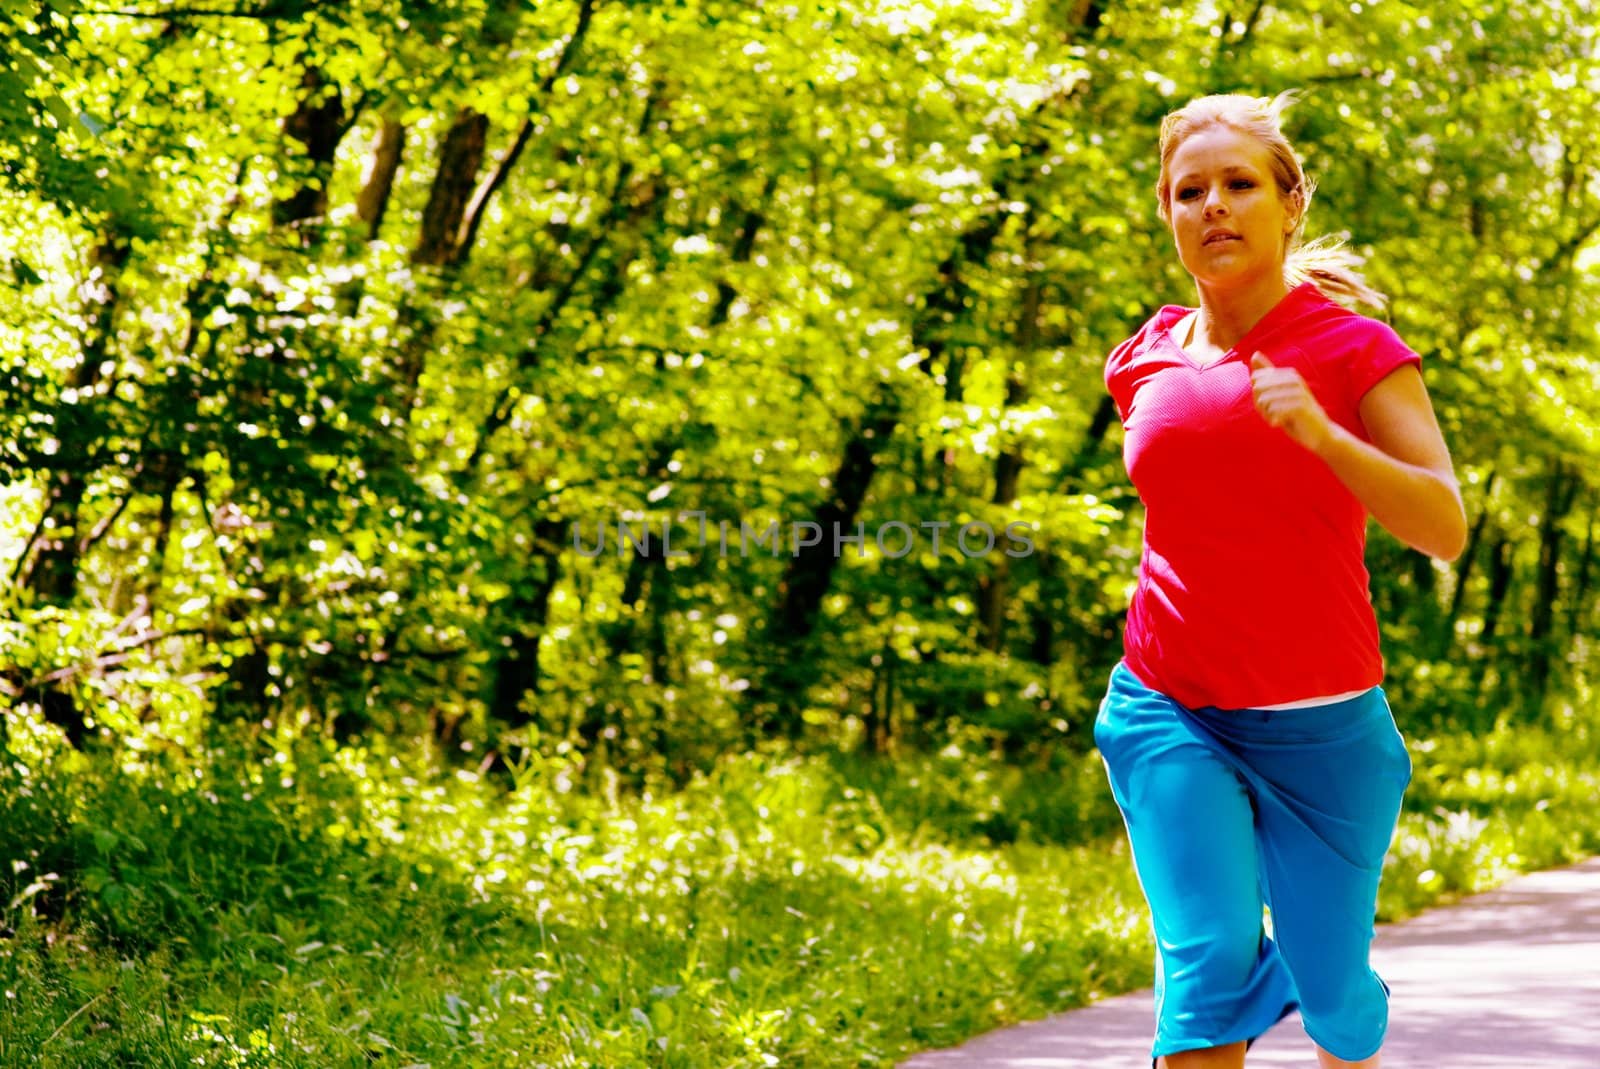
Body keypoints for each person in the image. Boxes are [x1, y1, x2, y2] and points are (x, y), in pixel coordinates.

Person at [1094, 91, 1467, 1069]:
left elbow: (1442, 525)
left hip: (1323, 728)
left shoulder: (1356, 355)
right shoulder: (1145, 358)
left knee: (1334, 991)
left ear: (1287, 202)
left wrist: (1323, 436)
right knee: (1208, 963)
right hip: (1167, 704)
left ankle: (1339, 1000)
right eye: (1188, 191)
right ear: (1167, 216)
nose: (1212, 205)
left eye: (1237, 184)